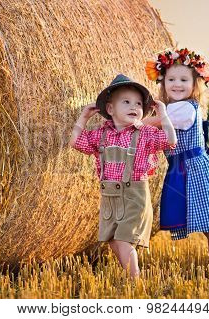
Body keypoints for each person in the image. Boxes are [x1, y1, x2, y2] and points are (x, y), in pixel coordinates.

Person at [144, 48, 209, 277]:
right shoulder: (177, 107)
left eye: (183, 80)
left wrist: (130, 121)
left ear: (195, 84)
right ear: (163, 82)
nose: (176, 84)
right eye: (171, 79)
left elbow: (155, 122)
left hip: (196, 170)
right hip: (194, 169)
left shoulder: (183, 108)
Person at [69, 74, 176, 277]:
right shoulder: (101, 134)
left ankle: (134, 282)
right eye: (126, 102)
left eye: (138, 103)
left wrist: (163, 115)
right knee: (111, 239)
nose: (133, 106)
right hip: (110, 197)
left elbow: (170, 140)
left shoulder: (145, 133)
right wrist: (83, 117)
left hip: (135, 196)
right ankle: (131, 274)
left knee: (124, 241)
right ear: (110, 109)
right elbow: (75, 142)